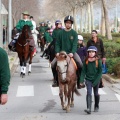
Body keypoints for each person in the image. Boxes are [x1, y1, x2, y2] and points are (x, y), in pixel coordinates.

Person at [51, 16, 83, 87]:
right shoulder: (60, 33)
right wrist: (57, 52)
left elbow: (75, 44)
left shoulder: (74, 33)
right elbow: (57, 43)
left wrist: (72, 52)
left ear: (71, 24)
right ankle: (55, 80)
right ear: (65, 23)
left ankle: (79, 81)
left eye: (69, 23)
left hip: (71, 53)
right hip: (61, 53)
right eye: (67, 23)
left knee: (80, 64)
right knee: (53, 64)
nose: (68, 24)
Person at [80, 46, 102, 114]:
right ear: (88, 53)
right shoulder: (86, 61)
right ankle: (88, 108)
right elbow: (83, 71)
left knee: (96, 93)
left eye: (92, 52)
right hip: (88, 79)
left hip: (96, 80)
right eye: (90, 52)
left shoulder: (98, 61)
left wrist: (95, 82)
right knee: (89, 93)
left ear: (95, 53)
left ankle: (96, 106)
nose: (91, 53)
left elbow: (100, 73)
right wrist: (81, 80)